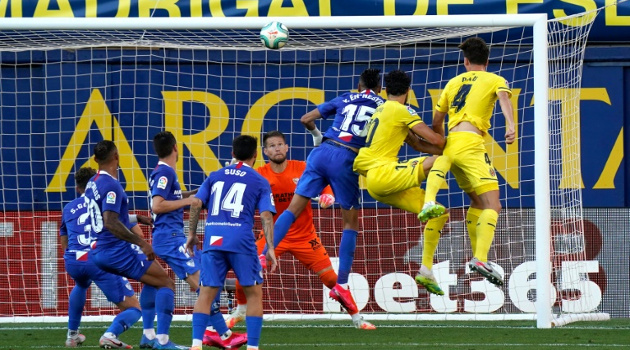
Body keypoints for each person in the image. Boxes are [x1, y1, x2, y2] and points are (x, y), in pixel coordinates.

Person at [221, 130, 375, 331]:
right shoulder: (259, 174)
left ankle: (357, 318)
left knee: (331, 279)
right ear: (265, 152)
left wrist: (328, 195)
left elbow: (324, 184)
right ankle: (241, 310)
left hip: (305, 236)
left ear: (287, 147)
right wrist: (234, 173)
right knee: (246, 269)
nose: (277, 148)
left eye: (280, 144)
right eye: (272, 146)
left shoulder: (303, 168)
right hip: (273, 236)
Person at [271, 68, 384, 314]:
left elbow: (305, 119)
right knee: (350, 223)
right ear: (379, 89)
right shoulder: (383, 106)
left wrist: (317, 136)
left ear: (358, 85)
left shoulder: (344, 97)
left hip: (321, 152)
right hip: (346, 158)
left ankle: (262, 255)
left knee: (292, 209)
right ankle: (341, 284)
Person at [419, 37, 515, 287]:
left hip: (452, 145)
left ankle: (477, 257)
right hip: (472, 145)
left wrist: (441, 142)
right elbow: (504, 99)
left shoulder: (452, 82)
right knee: (493, 204)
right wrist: (511, 125)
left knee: (476, 201)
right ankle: (480, 258)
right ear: (487, 60)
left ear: (466, 61)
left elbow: (437, 120)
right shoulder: (495, 79)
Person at [141, 131, 241, 349]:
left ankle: (222, 335)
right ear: (176, 148)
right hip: (169, 238)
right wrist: (192, 201)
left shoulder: (164, 173)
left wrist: (201, 190)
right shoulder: (165, 173)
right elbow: (157, 206)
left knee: (202, 286)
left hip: (170, 237)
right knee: (205, 287)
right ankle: (222, 335)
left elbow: (175, 198)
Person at [353, 69, 448, 296]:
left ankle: (426, 270)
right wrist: (442, 123)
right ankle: (429, 201)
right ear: (408, 91)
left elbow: (419, 146)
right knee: (442, 161)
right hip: (383, 173)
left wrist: (442, 146)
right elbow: (436, 141)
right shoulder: (402, 110)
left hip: (376, 183)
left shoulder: (383, 110)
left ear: (385, 90)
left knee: (441, 214)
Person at [84, 140, 185, 349]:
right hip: (115, 250)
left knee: (152, 281)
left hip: (97, 251)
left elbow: (102, 218)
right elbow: (110, 222)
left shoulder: (92, 183)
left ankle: (148, 336)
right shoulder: (111, 185)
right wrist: (142, 243)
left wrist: (135, 217)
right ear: (117, 157)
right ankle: (163, 341)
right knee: (166, 283)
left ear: (95, 160)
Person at [186, 135, 278, 350]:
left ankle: (196, 344)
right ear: (256, 155)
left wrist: (191, 233)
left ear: (232, 154)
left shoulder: (215, 176)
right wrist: (270, 247)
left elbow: (196, 202)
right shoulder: (259, 180)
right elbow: (266, 216)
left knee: (206, 292)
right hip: (241, 241)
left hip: (213, 239)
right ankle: (253, 347)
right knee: (253, 293)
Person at [61, 167, 151, 348]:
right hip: (98, 258)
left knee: (80, 284)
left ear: (78, 188)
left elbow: (64, 239)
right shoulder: (102, 199)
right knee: (135, 309)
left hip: (73, 259)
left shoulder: (68, 208)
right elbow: (117, 223)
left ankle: (72, 335)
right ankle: (111, 334)